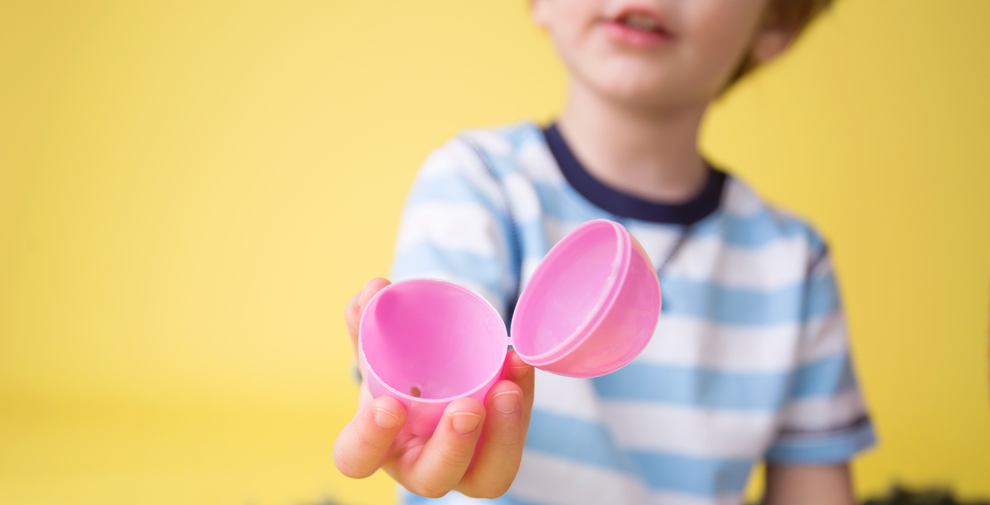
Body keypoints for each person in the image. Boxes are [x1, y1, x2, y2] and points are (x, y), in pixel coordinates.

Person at [333, 0, 876, 503]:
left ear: (774, 21)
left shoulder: (793, 266)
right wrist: (407, 416)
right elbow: (427, 378)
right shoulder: (477, 185)